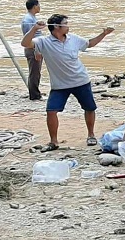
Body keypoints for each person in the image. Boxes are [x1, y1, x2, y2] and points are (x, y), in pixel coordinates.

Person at [21, 14, 114, 151]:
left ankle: (91, 135)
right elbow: (25, 43)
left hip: (81, 80)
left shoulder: (73, 39)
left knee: (89, 108)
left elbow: (89, 44)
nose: (68, 26)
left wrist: (104, 34)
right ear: (57, 27)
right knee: (51, 111)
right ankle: (54, 141)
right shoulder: (43, 42)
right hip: (59, 85)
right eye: (65, 23)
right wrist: (34, 29)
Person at [21, 0, 44, 100]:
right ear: (35, 6)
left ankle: (36, 93)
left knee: (36, 72)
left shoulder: (32, 18)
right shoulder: (28, 20)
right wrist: (36, 50)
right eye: (39, 5)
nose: (40, 7)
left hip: (36, 47)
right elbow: (29, 37)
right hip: (32, 48)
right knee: (34, 72)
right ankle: (34, 96)